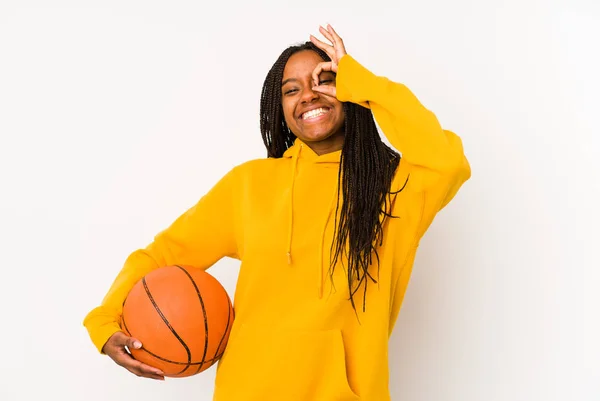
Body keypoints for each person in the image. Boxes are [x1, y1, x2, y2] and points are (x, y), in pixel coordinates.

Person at [83, 24, 471, 401]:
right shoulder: (250, 185)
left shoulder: (392, 189)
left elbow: (448, 162)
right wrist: (105, 323)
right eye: (291, 90)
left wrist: (361, 82)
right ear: (279, 107)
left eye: (323, 81)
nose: (308, 96)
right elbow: (162, 256)